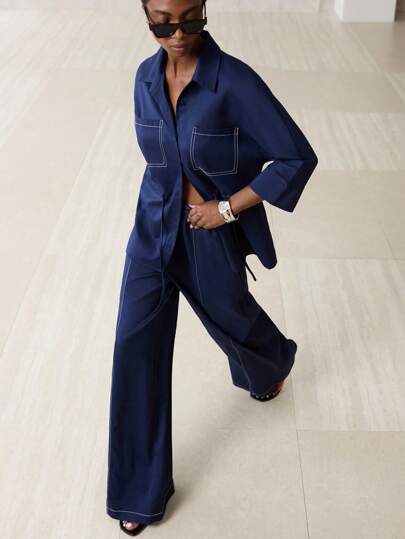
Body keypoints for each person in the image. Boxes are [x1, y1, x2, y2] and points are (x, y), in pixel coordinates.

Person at [106, 0, 318, 535]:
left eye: (191, 18)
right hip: (152, 226)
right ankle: (138, 492)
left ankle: (272, 363)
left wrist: (226, 209)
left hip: (207, 232)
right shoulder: (145, 79)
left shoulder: (234, 82)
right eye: (163, 21)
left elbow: (296, 156)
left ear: (204, 10)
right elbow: (160, 159)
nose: (178, 33)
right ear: (145, 16)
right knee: (134, 343)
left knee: (232, 317)